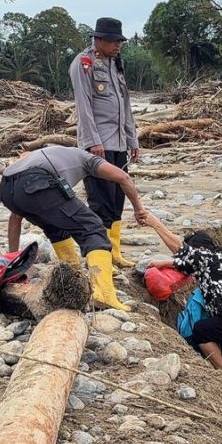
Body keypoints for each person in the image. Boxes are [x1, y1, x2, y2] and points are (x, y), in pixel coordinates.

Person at [139, 210, 222, 396]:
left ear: (199, 250)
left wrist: (155, 223)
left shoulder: (205, 257)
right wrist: (163, 263)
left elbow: (182, 252)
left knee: (201, 331)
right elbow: (184, 263)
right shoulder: (219, 262)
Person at [0, 146, 145, 311]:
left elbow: (15, 218)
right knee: (93, 227)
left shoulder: (50, 155)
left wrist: (12, 260)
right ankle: (103, 293)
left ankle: (72, 275)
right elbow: (123, 177)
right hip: (36, 182)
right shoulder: (88, 159)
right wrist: (138, 208)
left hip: (6, 189)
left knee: (55, 225)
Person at [71, 17, 140, 268]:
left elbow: (126, 105)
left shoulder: (115, 64)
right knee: (100, 200)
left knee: (117, 197)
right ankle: (100, 253)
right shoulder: (84, 63)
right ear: (98, 39)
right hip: (98, 144)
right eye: (113, 41)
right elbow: (84, 104)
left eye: (119, 41)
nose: (117, 45)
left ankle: (115, 251)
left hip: (119, 142)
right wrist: (92, 141)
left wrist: (133, 139)